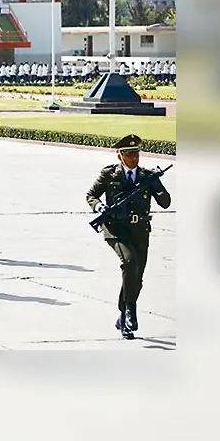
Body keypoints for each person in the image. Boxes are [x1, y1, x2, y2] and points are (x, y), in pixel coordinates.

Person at [85, 134, 172, 340]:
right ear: (119, 155)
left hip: (139, 230)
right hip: (115, 230)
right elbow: (91, 195)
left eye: (136, 153)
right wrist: (100, 206)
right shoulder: (109, 175)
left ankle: (122, 314)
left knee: (137, 279)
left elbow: (166, 203)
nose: (133, 158)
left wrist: (157, 187)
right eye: (128, 154)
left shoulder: (147, 176)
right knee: (129, 263)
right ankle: (128, 311)